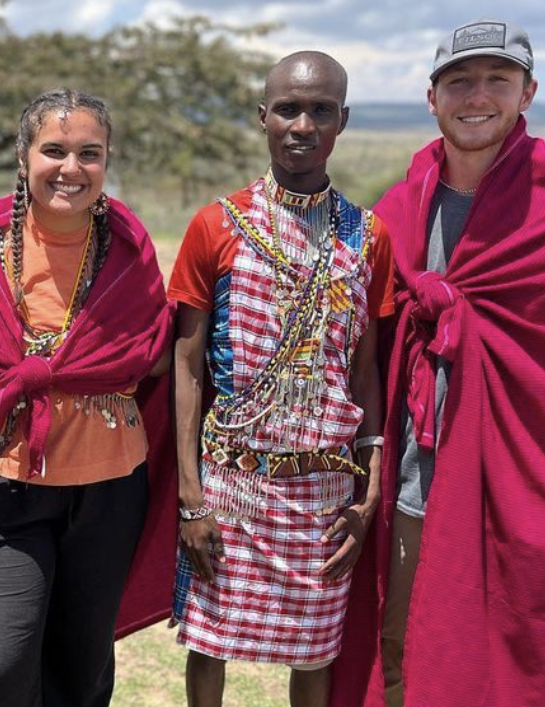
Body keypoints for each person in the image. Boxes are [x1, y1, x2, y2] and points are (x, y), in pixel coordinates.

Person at [331, 19, 545, 707]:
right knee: (399, 648)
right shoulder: (397, 210)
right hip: (411, 483)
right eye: (458, 80)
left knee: (503, 662)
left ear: (528, 93)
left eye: (497, 79)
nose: (476, 96)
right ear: (431, 98)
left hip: (523, 487)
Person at [0, 88, 178, 707]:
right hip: (5, 485)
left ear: (107, 162)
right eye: (54, 150)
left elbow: (152, 354)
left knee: (80, 670)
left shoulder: (131, 252)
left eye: (90, 153)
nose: (71, 168)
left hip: (110, 490)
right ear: (23, 154)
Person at [168, 51, 394, 707]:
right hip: (231, 480)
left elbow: (364, 371)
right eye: (288, 109)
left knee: (314, 650)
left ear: (342, 121)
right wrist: (192, 499)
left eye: (320, 109)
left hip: (323, 488)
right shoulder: (217, 225)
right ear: (262, 117)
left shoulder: (366, 236)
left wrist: (368, 491)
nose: (302, 124)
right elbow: (185, 368)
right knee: (209, 642)